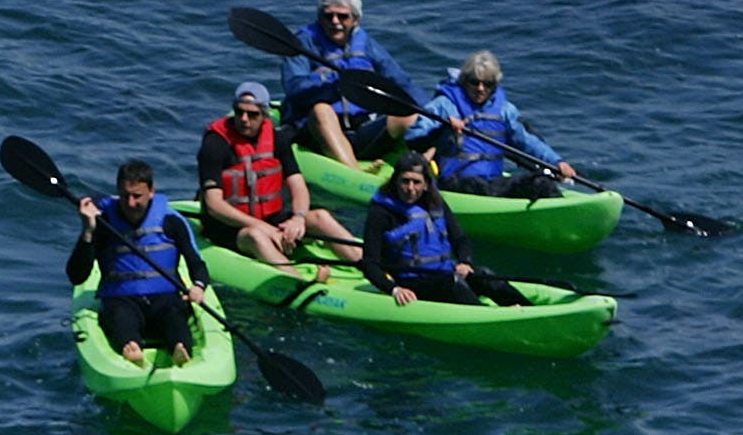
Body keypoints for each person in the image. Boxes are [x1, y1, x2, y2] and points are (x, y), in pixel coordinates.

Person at [196, 80, 357, 266]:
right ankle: (296, 278)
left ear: (264, 115)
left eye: (252, 114)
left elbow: (298, 185)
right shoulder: (215, 144)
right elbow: (214, 205)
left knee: (321, 217)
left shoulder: (276, 139)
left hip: (271, 219)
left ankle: (368, 265)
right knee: (256, 236)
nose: (244, 119)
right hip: (229, 228)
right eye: (239, 112)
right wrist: (261, 227)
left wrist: (298, 219)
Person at [66, 159, 207, 365]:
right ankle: (131, 350)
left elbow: (197, 264)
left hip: (164, 299)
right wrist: (88, 230)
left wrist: (199, 286)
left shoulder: (172, 221)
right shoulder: (104, 223)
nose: (131, 203)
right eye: (125, 196)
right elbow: (77, 276)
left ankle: (180, 349)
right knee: (121, 319)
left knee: (174, 318)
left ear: (151, 192)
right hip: (121, 300)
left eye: (137, 196)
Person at [404, 51, 576, 200]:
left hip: (492, 182)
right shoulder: (445, 105)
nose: (480, 88)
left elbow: (527, 141)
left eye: (487, 84)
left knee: (541, 184)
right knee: (476, 185)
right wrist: (444, 125)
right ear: (465, 81)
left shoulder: (504, 110)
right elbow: (412, 136)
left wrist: (557, 162)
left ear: (495, 86)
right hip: (455, 182)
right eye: (475, 82)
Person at [362, 156, 528, 308]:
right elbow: (369, 263)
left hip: (444, 272)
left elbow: (460, 239)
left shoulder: (436, 203)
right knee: (452, 283)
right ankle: (488, 315)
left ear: (426, 184)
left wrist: (464, 261)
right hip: (411, 282)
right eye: (405, 181)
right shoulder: (381, 213)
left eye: (416, 182)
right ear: (395, 182)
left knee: (484, 275)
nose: (410, 188)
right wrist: (394, 289)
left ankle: (526, 309)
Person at [279, 0, 415, 166]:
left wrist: (431, 109)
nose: (335, 21)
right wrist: (334, 84)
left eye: (343, 16)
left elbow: (400, 80)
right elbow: (294, 88)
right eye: (328, 16)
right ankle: (355, 173)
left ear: (355, 20)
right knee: (321, 110)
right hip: (319, 132)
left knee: (410, 115)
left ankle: (424, 168)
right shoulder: (303, 43)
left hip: (362, 128)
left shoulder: (366, 45)